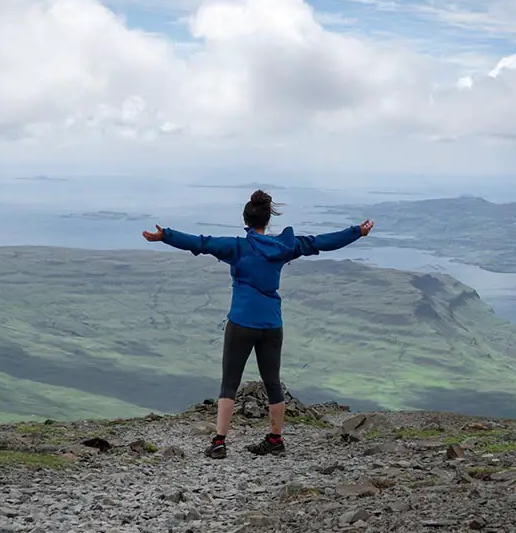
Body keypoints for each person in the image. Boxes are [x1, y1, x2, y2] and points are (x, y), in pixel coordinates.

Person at [142, 190, 374, 459]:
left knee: (230, 382)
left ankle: (219, 443)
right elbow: (320, 242)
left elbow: (201, 243)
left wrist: (165, 236)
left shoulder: (237, 247)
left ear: (246, 220)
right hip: (271, 324)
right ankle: (275, 439)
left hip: (241, 322)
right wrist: (357, 231)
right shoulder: (284, 247)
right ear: (267, 220)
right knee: (272, 382)